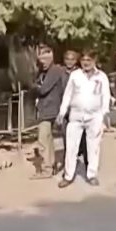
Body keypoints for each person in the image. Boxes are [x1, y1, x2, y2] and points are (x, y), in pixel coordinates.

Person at [58, 50, 110, 187]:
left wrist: (105, 114)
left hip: (94, 116)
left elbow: (105, 96)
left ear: (94, 60)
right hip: (76, 116)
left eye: (89, 60)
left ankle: (91, 174)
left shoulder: (101, 77)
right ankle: (68, 176)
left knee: (93, 147)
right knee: (71, 147)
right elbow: (68, 95)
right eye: (83, 60)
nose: (86, 63)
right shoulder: (75, 75)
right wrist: (62, 112)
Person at [33, 45, 68, 178]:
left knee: (43, 139)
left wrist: (34, 87)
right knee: (47, 139)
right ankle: (50, 166)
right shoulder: (43, 72)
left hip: (51, 108)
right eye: (41, 60)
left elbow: (43, 89)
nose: (43, 63)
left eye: (46, 60)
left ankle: (47, 169)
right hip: (46, 108)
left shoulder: (55, 71)